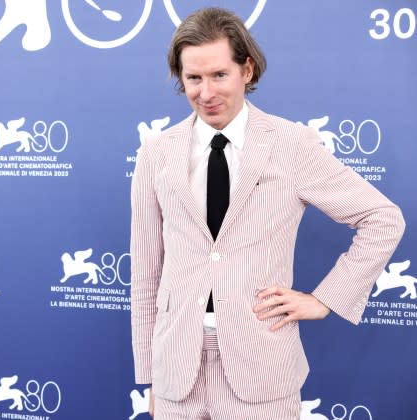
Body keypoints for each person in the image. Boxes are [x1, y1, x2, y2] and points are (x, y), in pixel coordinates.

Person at [130, 7, 405, 420]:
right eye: (193, 78)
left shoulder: (291, 145)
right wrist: (151, 377)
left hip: (262, 373)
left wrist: (324, 299)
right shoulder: (156, 152)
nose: (206, 92)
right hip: (176, 375)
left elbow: (383, 219)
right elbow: (147, 273)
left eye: (219, 75)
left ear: (248, 70)